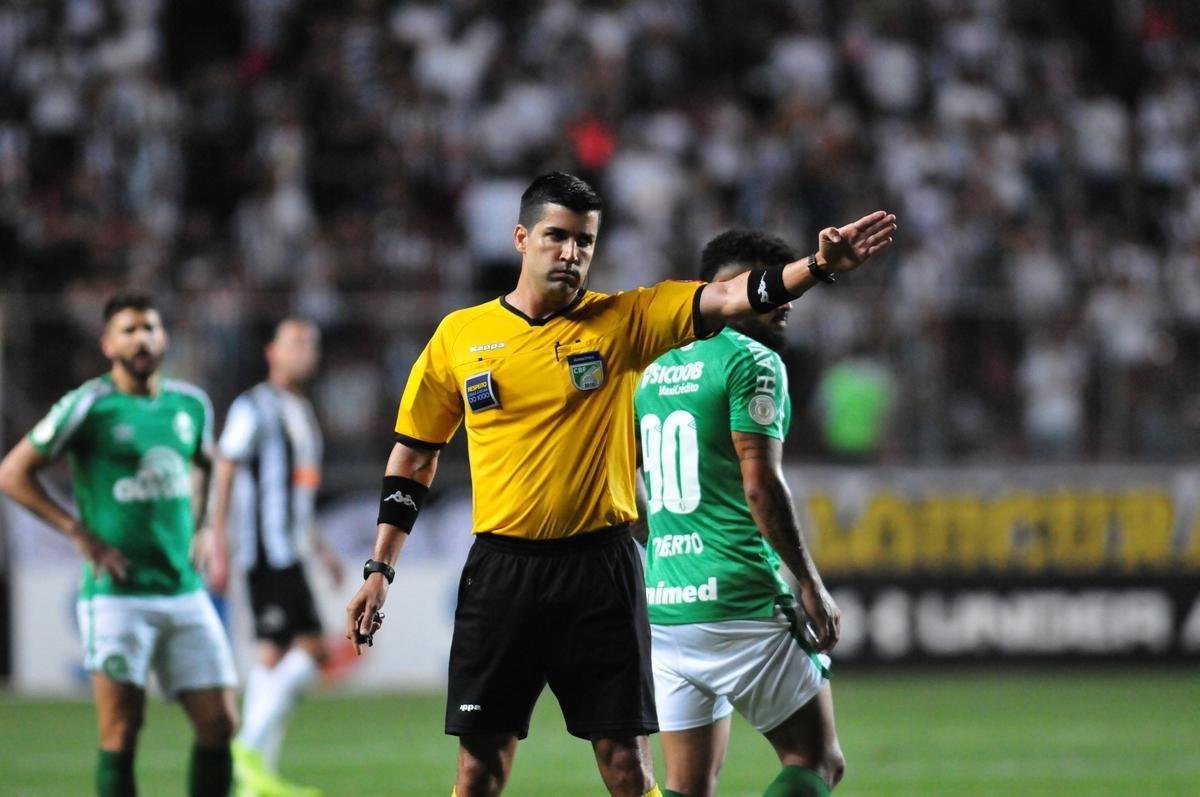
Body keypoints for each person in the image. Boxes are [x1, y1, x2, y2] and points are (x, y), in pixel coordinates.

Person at [344, 172, 895, 797]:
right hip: (501, 569)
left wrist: (817, 268)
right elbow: (414, 457)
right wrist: (379, 569)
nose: (571, 252)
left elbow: (730, 298)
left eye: (585, 240)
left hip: (599, 570)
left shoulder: (623, 320)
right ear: (522, 239)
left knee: (628, 765)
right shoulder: (459, 337)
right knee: (477, 771)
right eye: (556, 237)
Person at [0, 292, 238, 797]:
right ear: (109, 344)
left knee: (220, 723)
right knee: (122, 730)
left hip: (183, 589)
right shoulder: (89, 405)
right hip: (117, 594)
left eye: (149, 328)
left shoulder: (190, 405)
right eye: (128, 330)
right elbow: (13, 472)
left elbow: (207, 463)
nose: (141, 338)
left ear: (164, 338)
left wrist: (204, 527)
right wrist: (76, 531)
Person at [633, 231, 843, 797]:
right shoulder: (753, 362)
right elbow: (760, 484)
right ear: (722, 292)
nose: (784, 300)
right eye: (765, 288)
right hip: (740, 596)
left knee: (688, 782)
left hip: (668, 607)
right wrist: (808, 580)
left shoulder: (651, 371)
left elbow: (628, 489)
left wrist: (660, 553)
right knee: (817, 759)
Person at [208, 318, 342, 797]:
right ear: (272, 352)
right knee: (314, 650)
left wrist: (322, 549)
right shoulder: (255, 406)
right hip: (268, 553)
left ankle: (254, 778)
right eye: (297, 343)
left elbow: (299, 493)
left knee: (271, 658)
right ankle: (245, 749)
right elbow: (225, 467)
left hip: (295, 550)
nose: (307, 352)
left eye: (313, 344)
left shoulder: (300, 411)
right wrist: (216, 539)